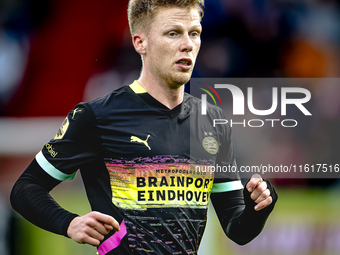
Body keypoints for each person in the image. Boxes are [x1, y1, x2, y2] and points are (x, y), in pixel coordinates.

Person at [10, 0, 278, 254]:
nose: (187, 44)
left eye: (194, 33)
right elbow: (25, 189)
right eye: (173, 33)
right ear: (140, 42)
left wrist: (260, 206)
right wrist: (68, 223)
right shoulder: (97, 116)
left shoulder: (212, 121)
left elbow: (237, 229)